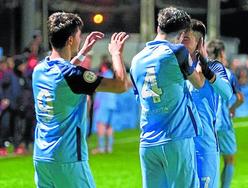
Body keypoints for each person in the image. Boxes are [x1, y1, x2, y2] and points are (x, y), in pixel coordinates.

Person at [32, 12, 129, 188]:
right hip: (68, 159)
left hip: (42, 158)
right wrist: (116, 53)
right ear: (70, 40)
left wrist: (83, 51)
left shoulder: (40, 69)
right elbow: (120, 85)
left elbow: (65, 73)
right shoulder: (72, 75)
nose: (80, 39)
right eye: (78, 36)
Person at [130, 7, 208, 188]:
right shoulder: (177, 52)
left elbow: (138, 98)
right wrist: (201, 57)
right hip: (176, 138)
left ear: (158, 27)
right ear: (181, 34)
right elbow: (199, 83)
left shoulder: (136, 60)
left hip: (148, 142)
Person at [182, 19, 232, 188]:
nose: (180, 41)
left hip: (204, 147)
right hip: (180, 145)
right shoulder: (175, 67)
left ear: (199, 43)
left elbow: (227, 93)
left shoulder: (213, 66)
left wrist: (207, 72)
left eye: (186, 38)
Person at [207, 39, 244, 188]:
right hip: (223, 123)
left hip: (207, 124)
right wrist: (232, 108)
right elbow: (240, 98)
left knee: (209, 161)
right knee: (229, 160)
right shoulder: (227, 73)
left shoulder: (202, 71)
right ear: (222, 53)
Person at [92, 61, 117, 154]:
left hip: (104, 103)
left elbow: (99, 91)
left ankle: (101, 148)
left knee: (101, 124)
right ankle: (109, 148)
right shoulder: (112, 76)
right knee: (109, 126)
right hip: (112, 103)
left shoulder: (103, 76)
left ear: (103, 67)